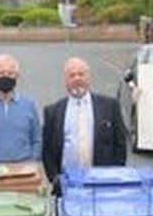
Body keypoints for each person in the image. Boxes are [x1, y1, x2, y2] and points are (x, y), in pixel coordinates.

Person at [42, 57, 127, 185]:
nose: (77, 79)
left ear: (89, 77)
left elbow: (120, 144)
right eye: (72, 75)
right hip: (67, 183)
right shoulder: (53, 111)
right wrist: (55, 178)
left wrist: (114, 175)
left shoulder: (110, 106)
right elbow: (47, 149)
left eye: (81, 74)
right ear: (66, 80)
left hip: (102, 182)